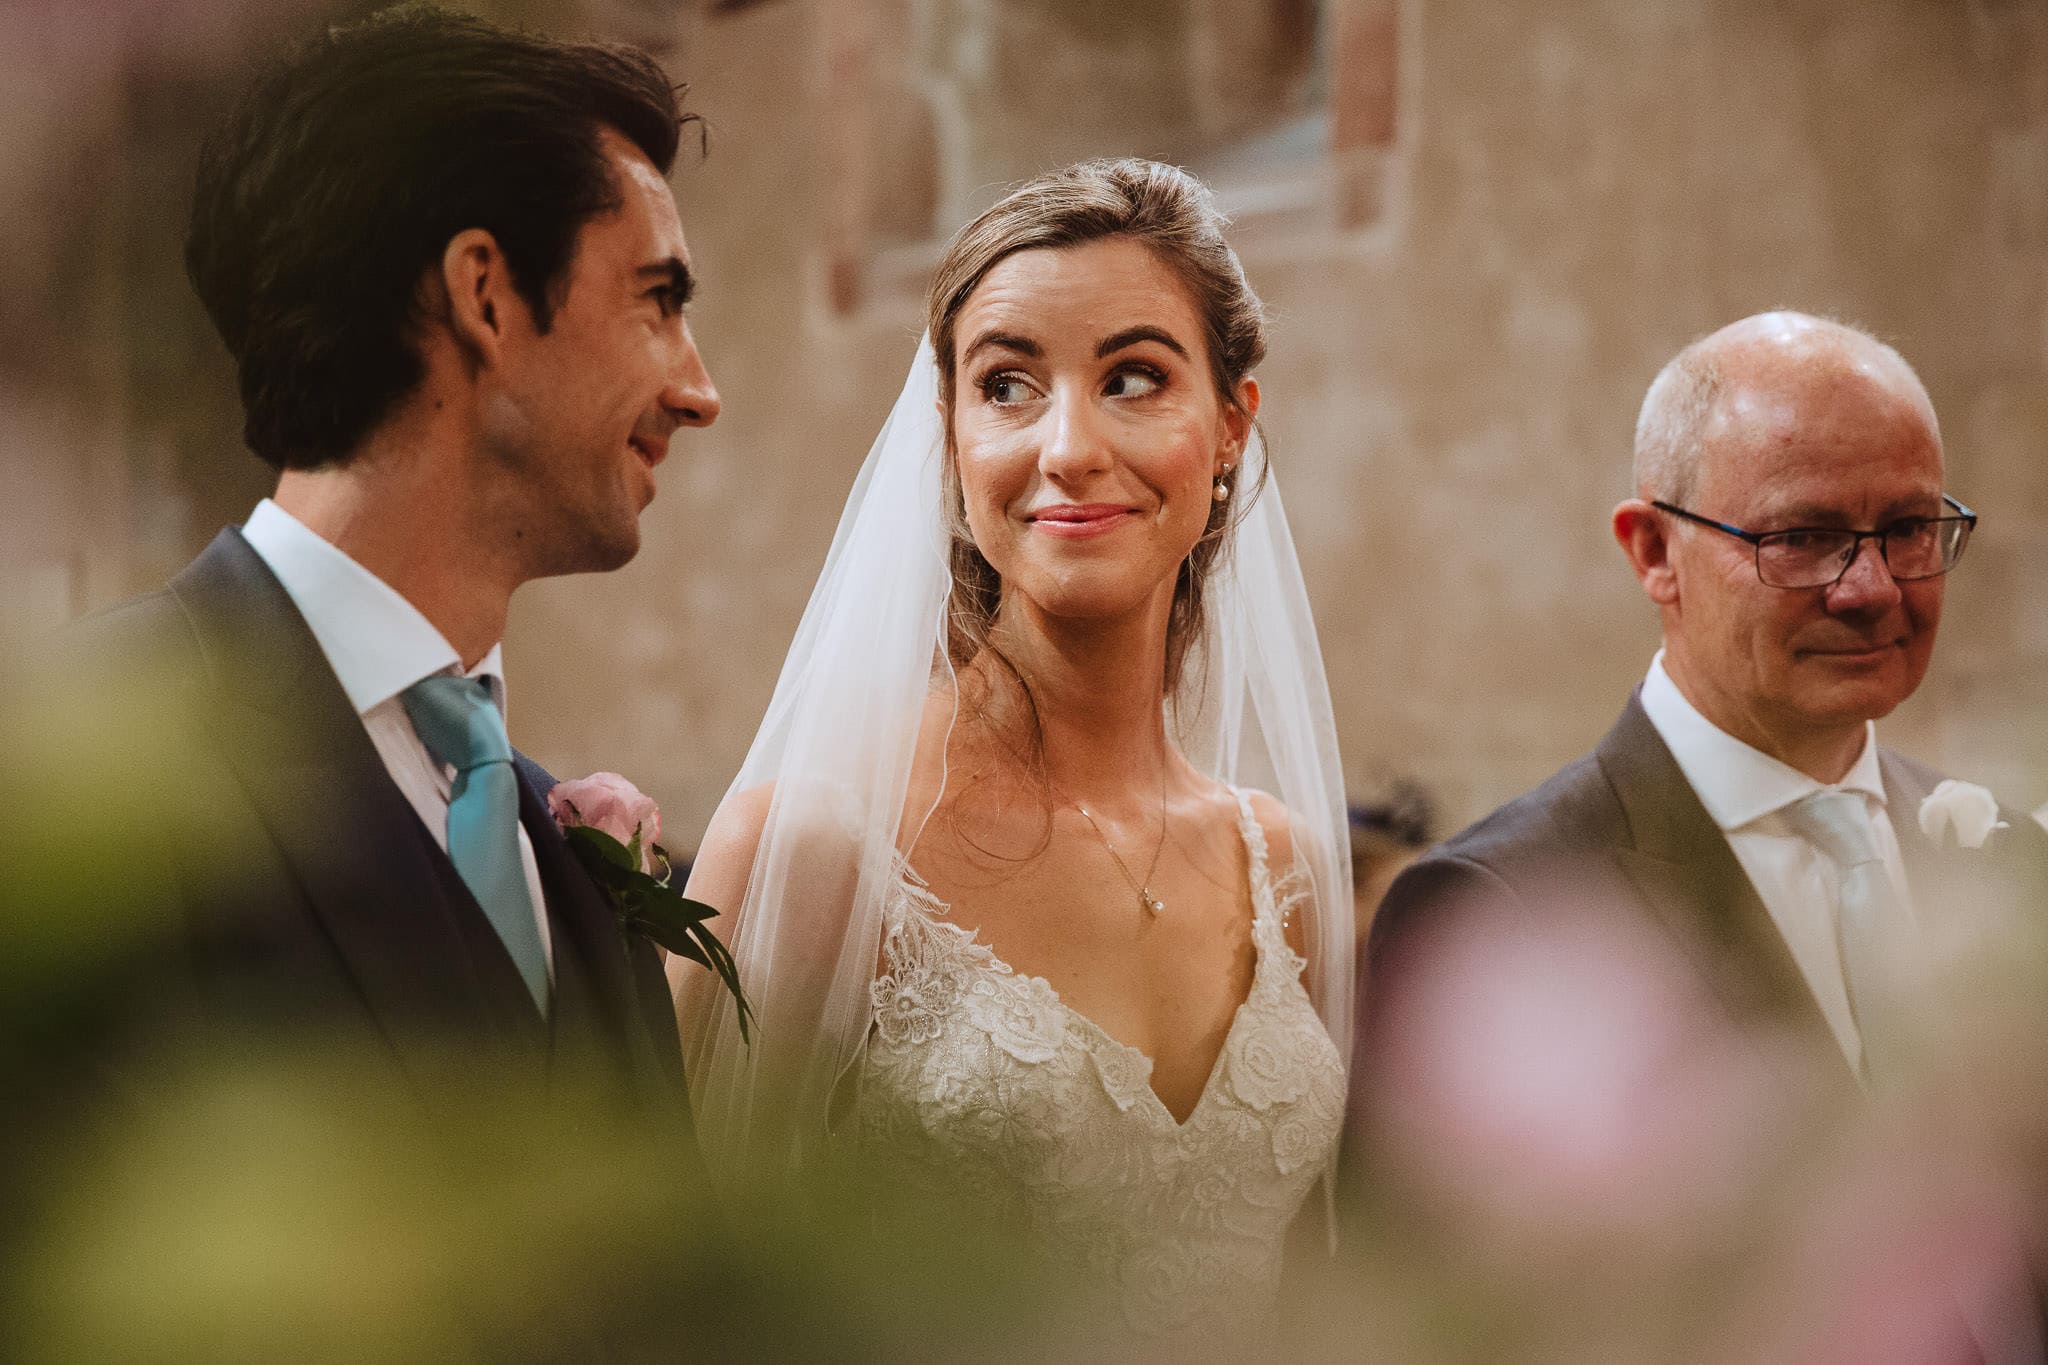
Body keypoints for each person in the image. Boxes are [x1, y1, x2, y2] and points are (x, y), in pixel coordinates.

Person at [676, 159, 1353, 1340]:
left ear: (1232, 425)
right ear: (945, 438)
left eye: (1133, 378)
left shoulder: (1280, 870)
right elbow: (668, 1308)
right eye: (1005, 386)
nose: (1068, 446)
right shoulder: (818, 847)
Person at [16, 5, 720, 1130]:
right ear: (484, 293)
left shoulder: (573, 846)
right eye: (657, 299)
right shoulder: (69, 757)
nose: (698, 390)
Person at [1358, 309, 2048, 1102]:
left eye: (1908, 528)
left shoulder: (2008, 860)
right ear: (1654, 550)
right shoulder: (1498, 909)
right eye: (1802, 536)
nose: (1873, 588)